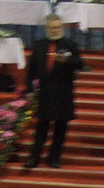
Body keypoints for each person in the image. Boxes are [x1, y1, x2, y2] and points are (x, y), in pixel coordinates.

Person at [24, 14, 83, 169]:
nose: (55, 30)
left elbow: (80, 63)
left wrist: (66, 60)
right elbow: (32, 70)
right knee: (41, 127)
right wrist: (30, 89)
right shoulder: (39, 45)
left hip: (63, 91)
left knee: (60, 127)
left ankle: (54, 158)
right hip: (45, 92)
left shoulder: (69, 44)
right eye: (52, 28)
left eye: (57, 27)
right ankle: (34, 157)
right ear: (47, 28)